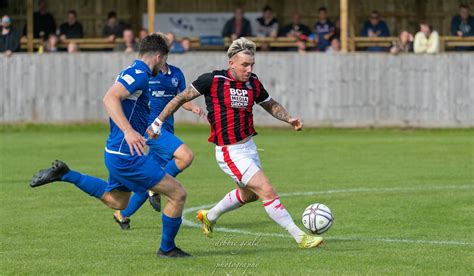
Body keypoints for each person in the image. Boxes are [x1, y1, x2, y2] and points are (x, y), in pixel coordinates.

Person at [147, 37, 324, 249]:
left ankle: (209, 217)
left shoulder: (253, 82)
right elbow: (180, 98)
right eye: (244, 65)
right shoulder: (212, 80)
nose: (249, 69)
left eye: (252, 65)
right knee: (267, 190)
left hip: (249, 149)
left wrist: (288, 118)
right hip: (230, 151)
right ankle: (300, 237)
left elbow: (269, 104)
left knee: (249, 194)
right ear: (231, 62)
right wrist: (158, 122)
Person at [29, 34, 191, 258]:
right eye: (164, 61)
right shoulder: (141, 74)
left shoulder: (131, 70)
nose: (164, 66)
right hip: (127, 155)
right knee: (178, 194)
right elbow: (109, 98)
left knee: (117, 201)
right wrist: (128, 130)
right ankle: (167, 249)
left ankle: (65, 174)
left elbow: (123, 103)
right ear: (158, 57)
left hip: (115, 152)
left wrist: (138, 129)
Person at [113, 61, 205, 230]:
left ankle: (122, 214)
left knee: (147, 182)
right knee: (186, 156)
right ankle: (154, 189)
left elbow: (182, 98)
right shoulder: (145, 76)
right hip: (151, 130)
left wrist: (192, 108)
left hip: (167, 129)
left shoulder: (176, 73)